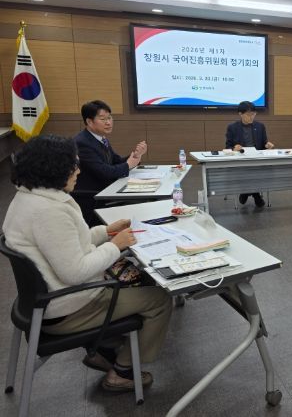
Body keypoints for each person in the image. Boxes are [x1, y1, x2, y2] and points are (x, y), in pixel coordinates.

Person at [3, 134, 172, 392]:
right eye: (74, 166)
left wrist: (107, 232)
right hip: (68, 308)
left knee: (134, 275)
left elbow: (69, 243)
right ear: (54, 169)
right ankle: (122, 371)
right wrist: (115, 246)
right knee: (159, 299)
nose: (79, 171)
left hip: (41, 302)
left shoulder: (29, 198)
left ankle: (103, 348)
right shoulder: (49, 212)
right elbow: (76, 271)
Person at [73, 100, 148, 226]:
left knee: (146, 196)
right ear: (89, 122)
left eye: (109, 118)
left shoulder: (100, 138)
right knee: (143, 201)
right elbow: (105, 172)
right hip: (94, 197)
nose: (108, 122)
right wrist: (129, 164)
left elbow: (115, 161)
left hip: (108, 189)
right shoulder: (82, 142)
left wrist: (136, 155)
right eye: (103, 119)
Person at [225, 101, 274, 207]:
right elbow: (228, 147)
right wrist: (234, 148)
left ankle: (246, 192)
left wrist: (267, 145)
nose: (251, 117)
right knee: (249, 171)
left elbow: (264, 144)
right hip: (241, 160)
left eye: (253, 114)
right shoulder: (232, 127)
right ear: (240, 114)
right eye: (248, 114)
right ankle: (256, 195)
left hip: (257, 159)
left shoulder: (260, 126)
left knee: (258, 170)